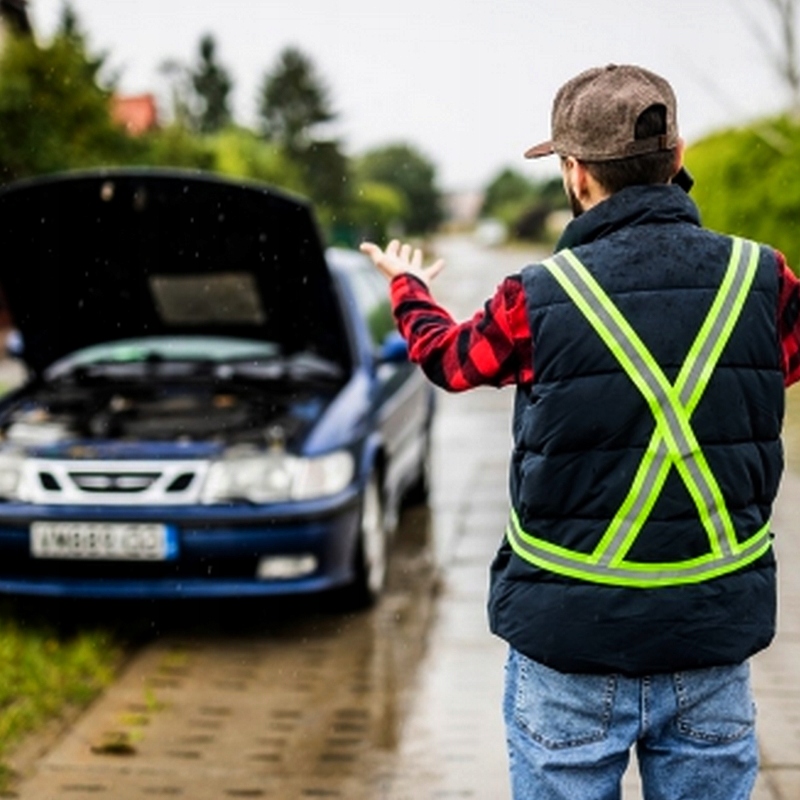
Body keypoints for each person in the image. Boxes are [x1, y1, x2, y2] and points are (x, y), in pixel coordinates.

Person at [360, 64, 800, 800]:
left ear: (576, 174)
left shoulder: (536, 297)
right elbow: (770, 369)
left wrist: (409, 288)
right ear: (679, 156)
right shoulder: (764, 278)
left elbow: (449, 360)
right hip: (711, 638)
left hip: (571, 642)